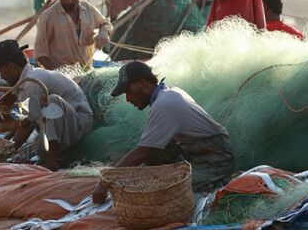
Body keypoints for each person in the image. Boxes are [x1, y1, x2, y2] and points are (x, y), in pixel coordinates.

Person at [92, 61, 236, 203]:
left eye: (128, 92)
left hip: (216, 158)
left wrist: (106, 181)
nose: (128, 99)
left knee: (173, 191)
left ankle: (222, 180)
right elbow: (149, 150)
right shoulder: (167, 94)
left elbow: (143, 151)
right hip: (197, 152)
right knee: (154, 152)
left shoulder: (164, 104)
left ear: (142, 83)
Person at [0, 39, 93, 171]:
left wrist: (2, 155)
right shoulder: (23, 83)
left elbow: (26, 127)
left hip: (78, 124)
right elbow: (21, 121)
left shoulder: (32, 82)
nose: (1, 76)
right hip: (62, 126)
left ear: (11, 66)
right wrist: (3, 143)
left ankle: (52, 159)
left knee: (51, 102)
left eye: (0, 70)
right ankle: (49, 154)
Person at [34, 0, 113, 70]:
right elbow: (40, 54)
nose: (69, 1)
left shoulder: (87, 8)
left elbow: (105, 23)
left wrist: (104, 33)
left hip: (87, 72)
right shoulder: (48, 17)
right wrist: (58, 72)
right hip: (62, 77)